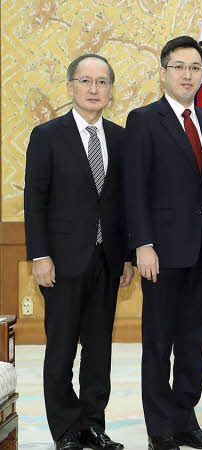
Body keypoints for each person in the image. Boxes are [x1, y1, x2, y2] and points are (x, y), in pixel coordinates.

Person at [24, 53, 133, 450]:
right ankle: (66, 431)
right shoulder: (47, 135)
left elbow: (124, 204)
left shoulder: (121, 139)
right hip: (62, 262)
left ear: (110, 90)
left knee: (99, 351)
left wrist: (126, 258)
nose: (93, 89)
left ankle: (93, 425)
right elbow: (35, 200)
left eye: (102, 82)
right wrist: (40, 255)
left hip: (108, 261)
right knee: (61, 350)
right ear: (71, 87)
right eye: (86, 81)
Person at [124, 36, 202, 450]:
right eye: (180, 67)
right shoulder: (144, 119)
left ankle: (186, 421)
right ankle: (160, 430)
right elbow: (134, 188)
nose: (188, 75)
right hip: (162, 253)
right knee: (159, 343)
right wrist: (142, 244)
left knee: (193, 342)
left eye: (195, 68)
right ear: (164, 71)